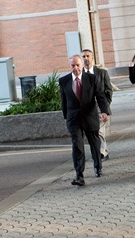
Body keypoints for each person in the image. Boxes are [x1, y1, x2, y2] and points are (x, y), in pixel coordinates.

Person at [59, 54, 109, 186]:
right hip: (74, 119)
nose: (75, 68)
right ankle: (79, 175)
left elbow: (100, 95)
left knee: (94, 144)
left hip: (89, 116)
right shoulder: (64, 81)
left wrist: (104, 111)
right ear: (69, 66)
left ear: (82, 65)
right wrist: (66, 117)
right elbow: (64, 101)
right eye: (73, 65)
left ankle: (98, 167)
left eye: (77, 65)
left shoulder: (91, 78)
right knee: (78, 147)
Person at [82, 49, 113, 162]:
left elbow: (108, 90)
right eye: (83, 56)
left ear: (92, 58)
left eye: (87, 56)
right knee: (93, 132)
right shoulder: (81, 75)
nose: (85, 58)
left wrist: (105, 106)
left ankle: (102, 152)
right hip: (88, 110)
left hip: (101, 108)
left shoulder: (102, 73)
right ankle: (99, 151)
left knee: (99, 131)